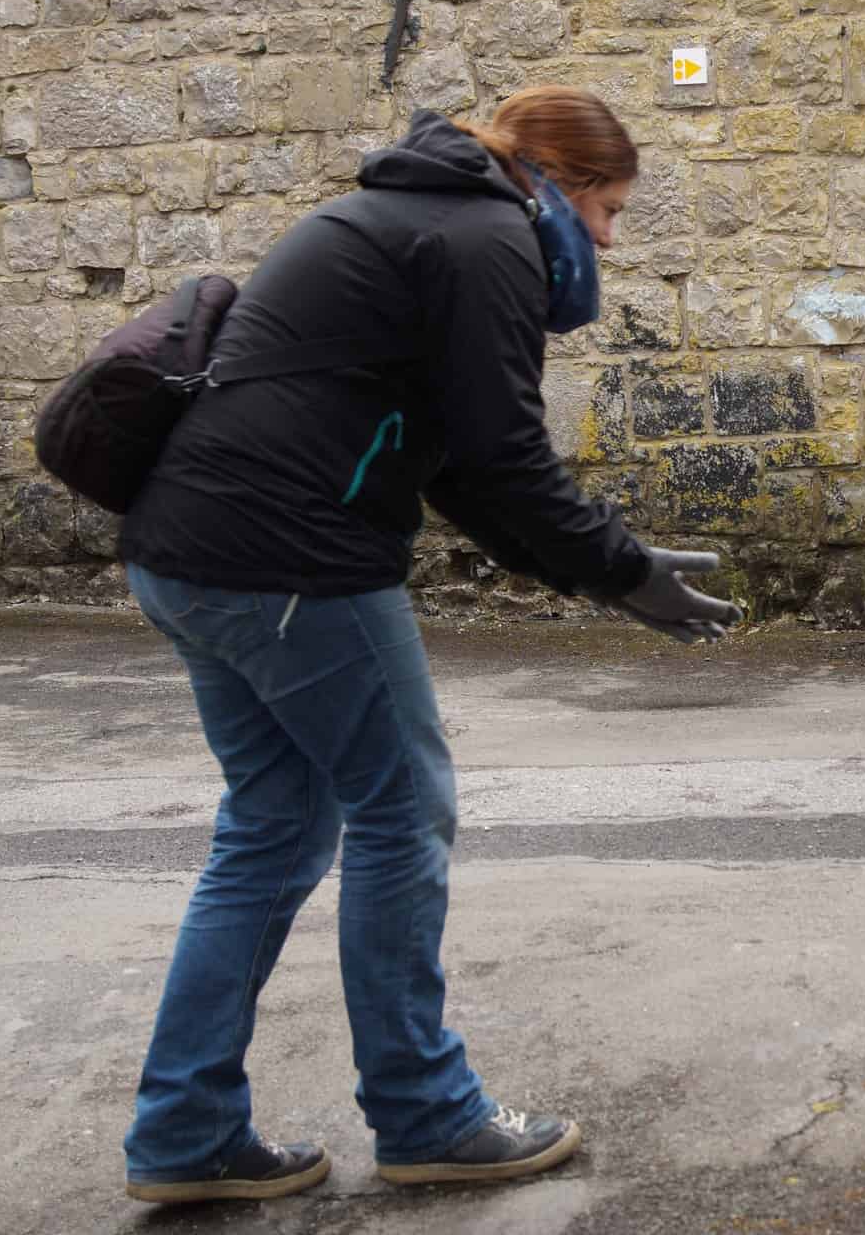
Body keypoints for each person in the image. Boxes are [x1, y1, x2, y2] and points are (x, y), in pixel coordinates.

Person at [114, 87, 742, 1204]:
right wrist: (621, 569)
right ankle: (426, 1111)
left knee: (272, 828)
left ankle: (185, 1130)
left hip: (186, 549)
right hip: (292, 562)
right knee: (401, 812)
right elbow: (504, 454)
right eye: (608, 208)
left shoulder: (413, 216)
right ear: (556, 179)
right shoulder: (491, 234)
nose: (607, 240)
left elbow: (456, 463)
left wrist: (601, 572)